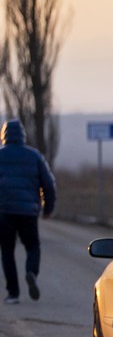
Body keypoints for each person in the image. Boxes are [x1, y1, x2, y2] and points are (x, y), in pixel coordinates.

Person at [0, 119, 57, 304]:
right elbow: (49, 184)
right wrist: (48, 208)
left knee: (7, 251)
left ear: (4, 137)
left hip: (5, 211)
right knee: (32, 246)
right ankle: (31, 272)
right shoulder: (35, 156)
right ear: (23, 136)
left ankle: (13, 293)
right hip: (28, 212)